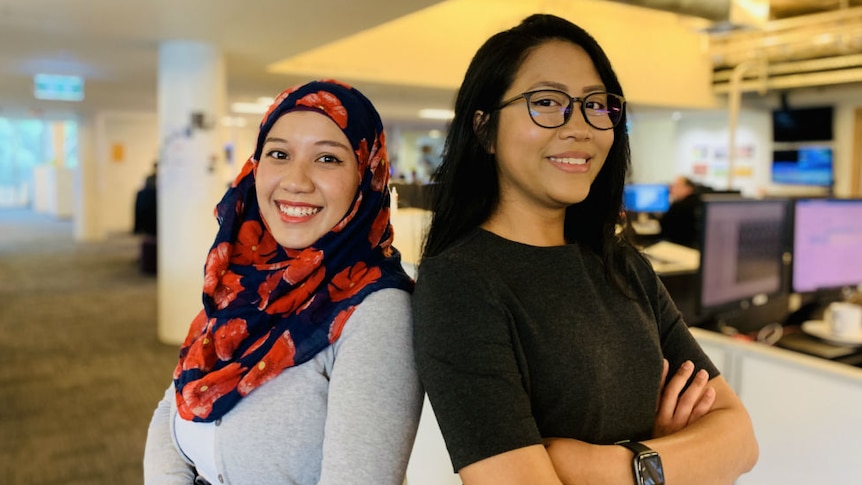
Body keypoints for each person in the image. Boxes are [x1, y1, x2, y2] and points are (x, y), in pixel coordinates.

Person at [411, 14, 758, 485]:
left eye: (596, 105)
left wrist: (612, 465)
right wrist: (681, 454)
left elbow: (740, 439)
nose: (581, 127)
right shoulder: (460, 284)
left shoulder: (624, 265)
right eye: (547, 102)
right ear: (484, 129)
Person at [144, 80, 423, 485]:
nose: (296, 180)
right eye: (278, 153)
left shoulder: (376, 311)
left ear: (367, 175)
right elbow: (176, 403)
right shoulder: (244, 276)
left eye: (327, 158)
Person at [659, 175, 702, 248]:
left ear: (688, 188)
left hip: (679, 245)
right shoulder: (698, 200)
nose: (673, 189)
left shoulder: (681, 205)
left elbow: (663, 224)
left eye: (677, 186)